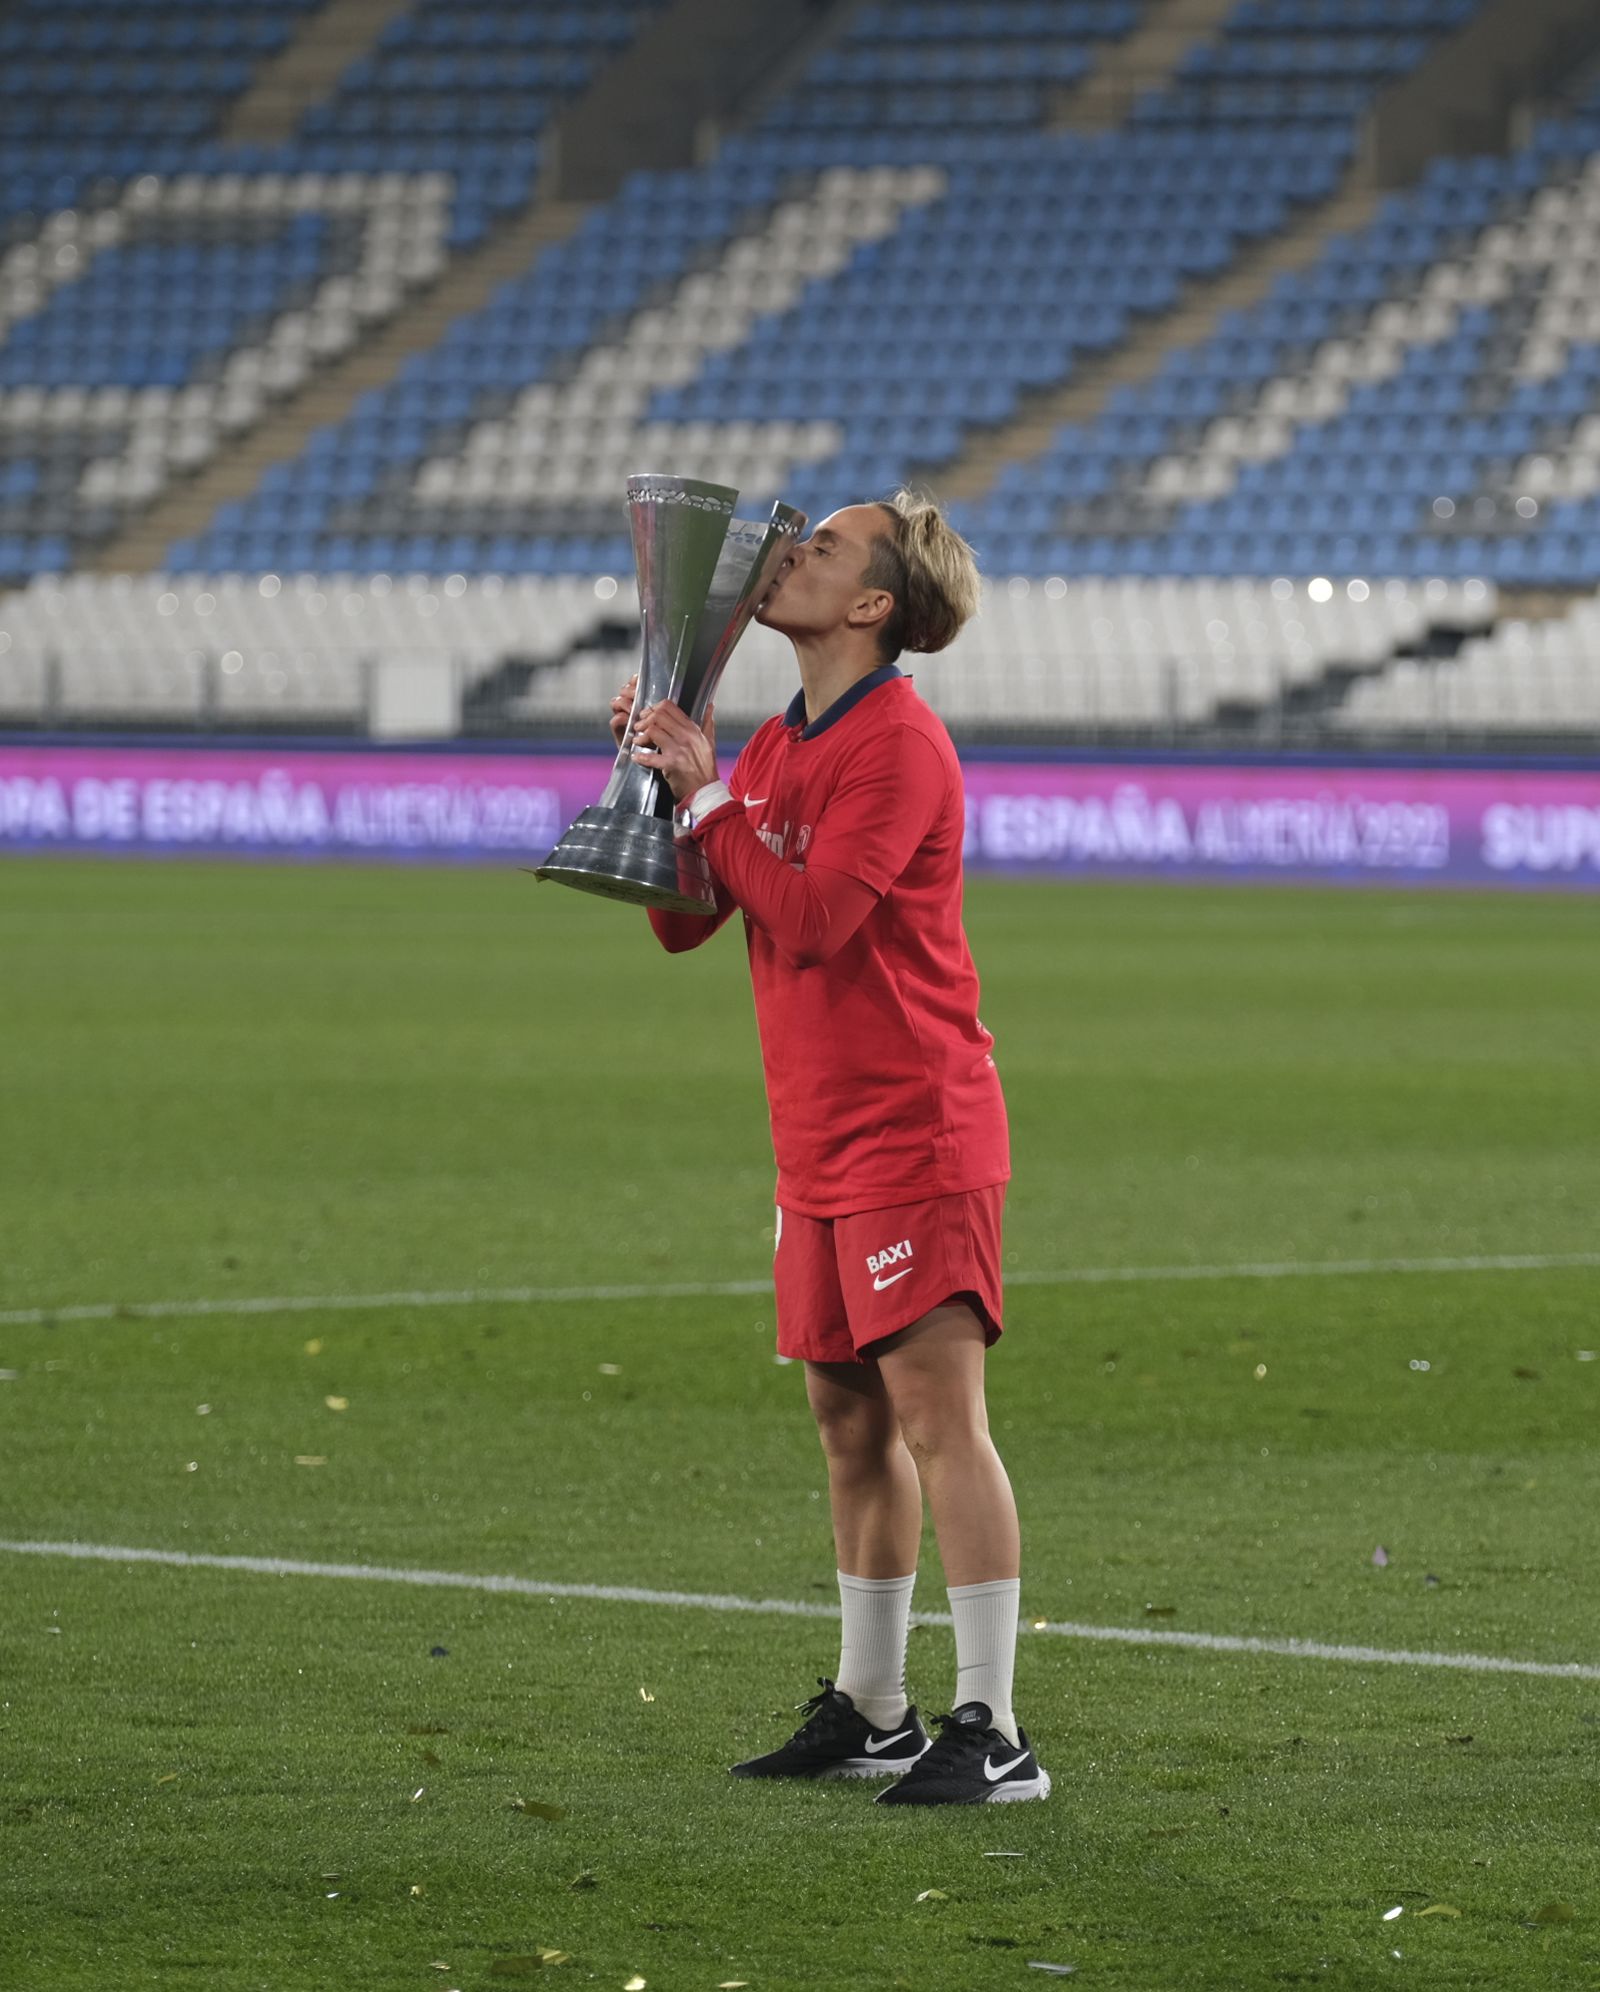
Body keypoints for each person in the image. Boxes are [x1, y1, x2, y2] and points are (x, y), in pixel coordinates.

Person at [612, 491, 1048, 1806]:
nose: (787, 557)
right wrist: (661, 791)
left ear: (874, 605)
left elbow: (813, 919)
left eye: (825, 547)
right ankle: (873, 1710)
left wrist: (711, 801)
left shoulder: (900, 745)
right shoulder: (784, 740)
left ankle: (996, 1727)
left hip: (917, 1128)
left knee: (936, 1420)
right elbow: (690, 928)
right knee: (848, 1421)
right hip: (818, 1138)